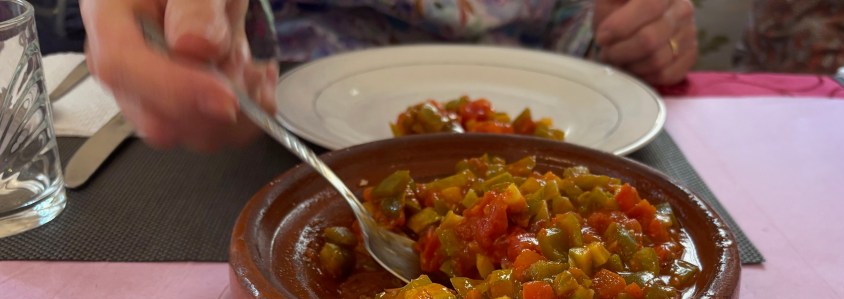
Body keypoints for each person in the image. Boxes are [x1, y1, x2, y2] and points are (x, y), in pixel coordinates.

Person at [80, 0, 697, 152]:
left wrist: (635, 31)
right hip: (281, 128)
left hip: (555, 119)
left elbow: (582, 23)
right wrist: (195, 34)